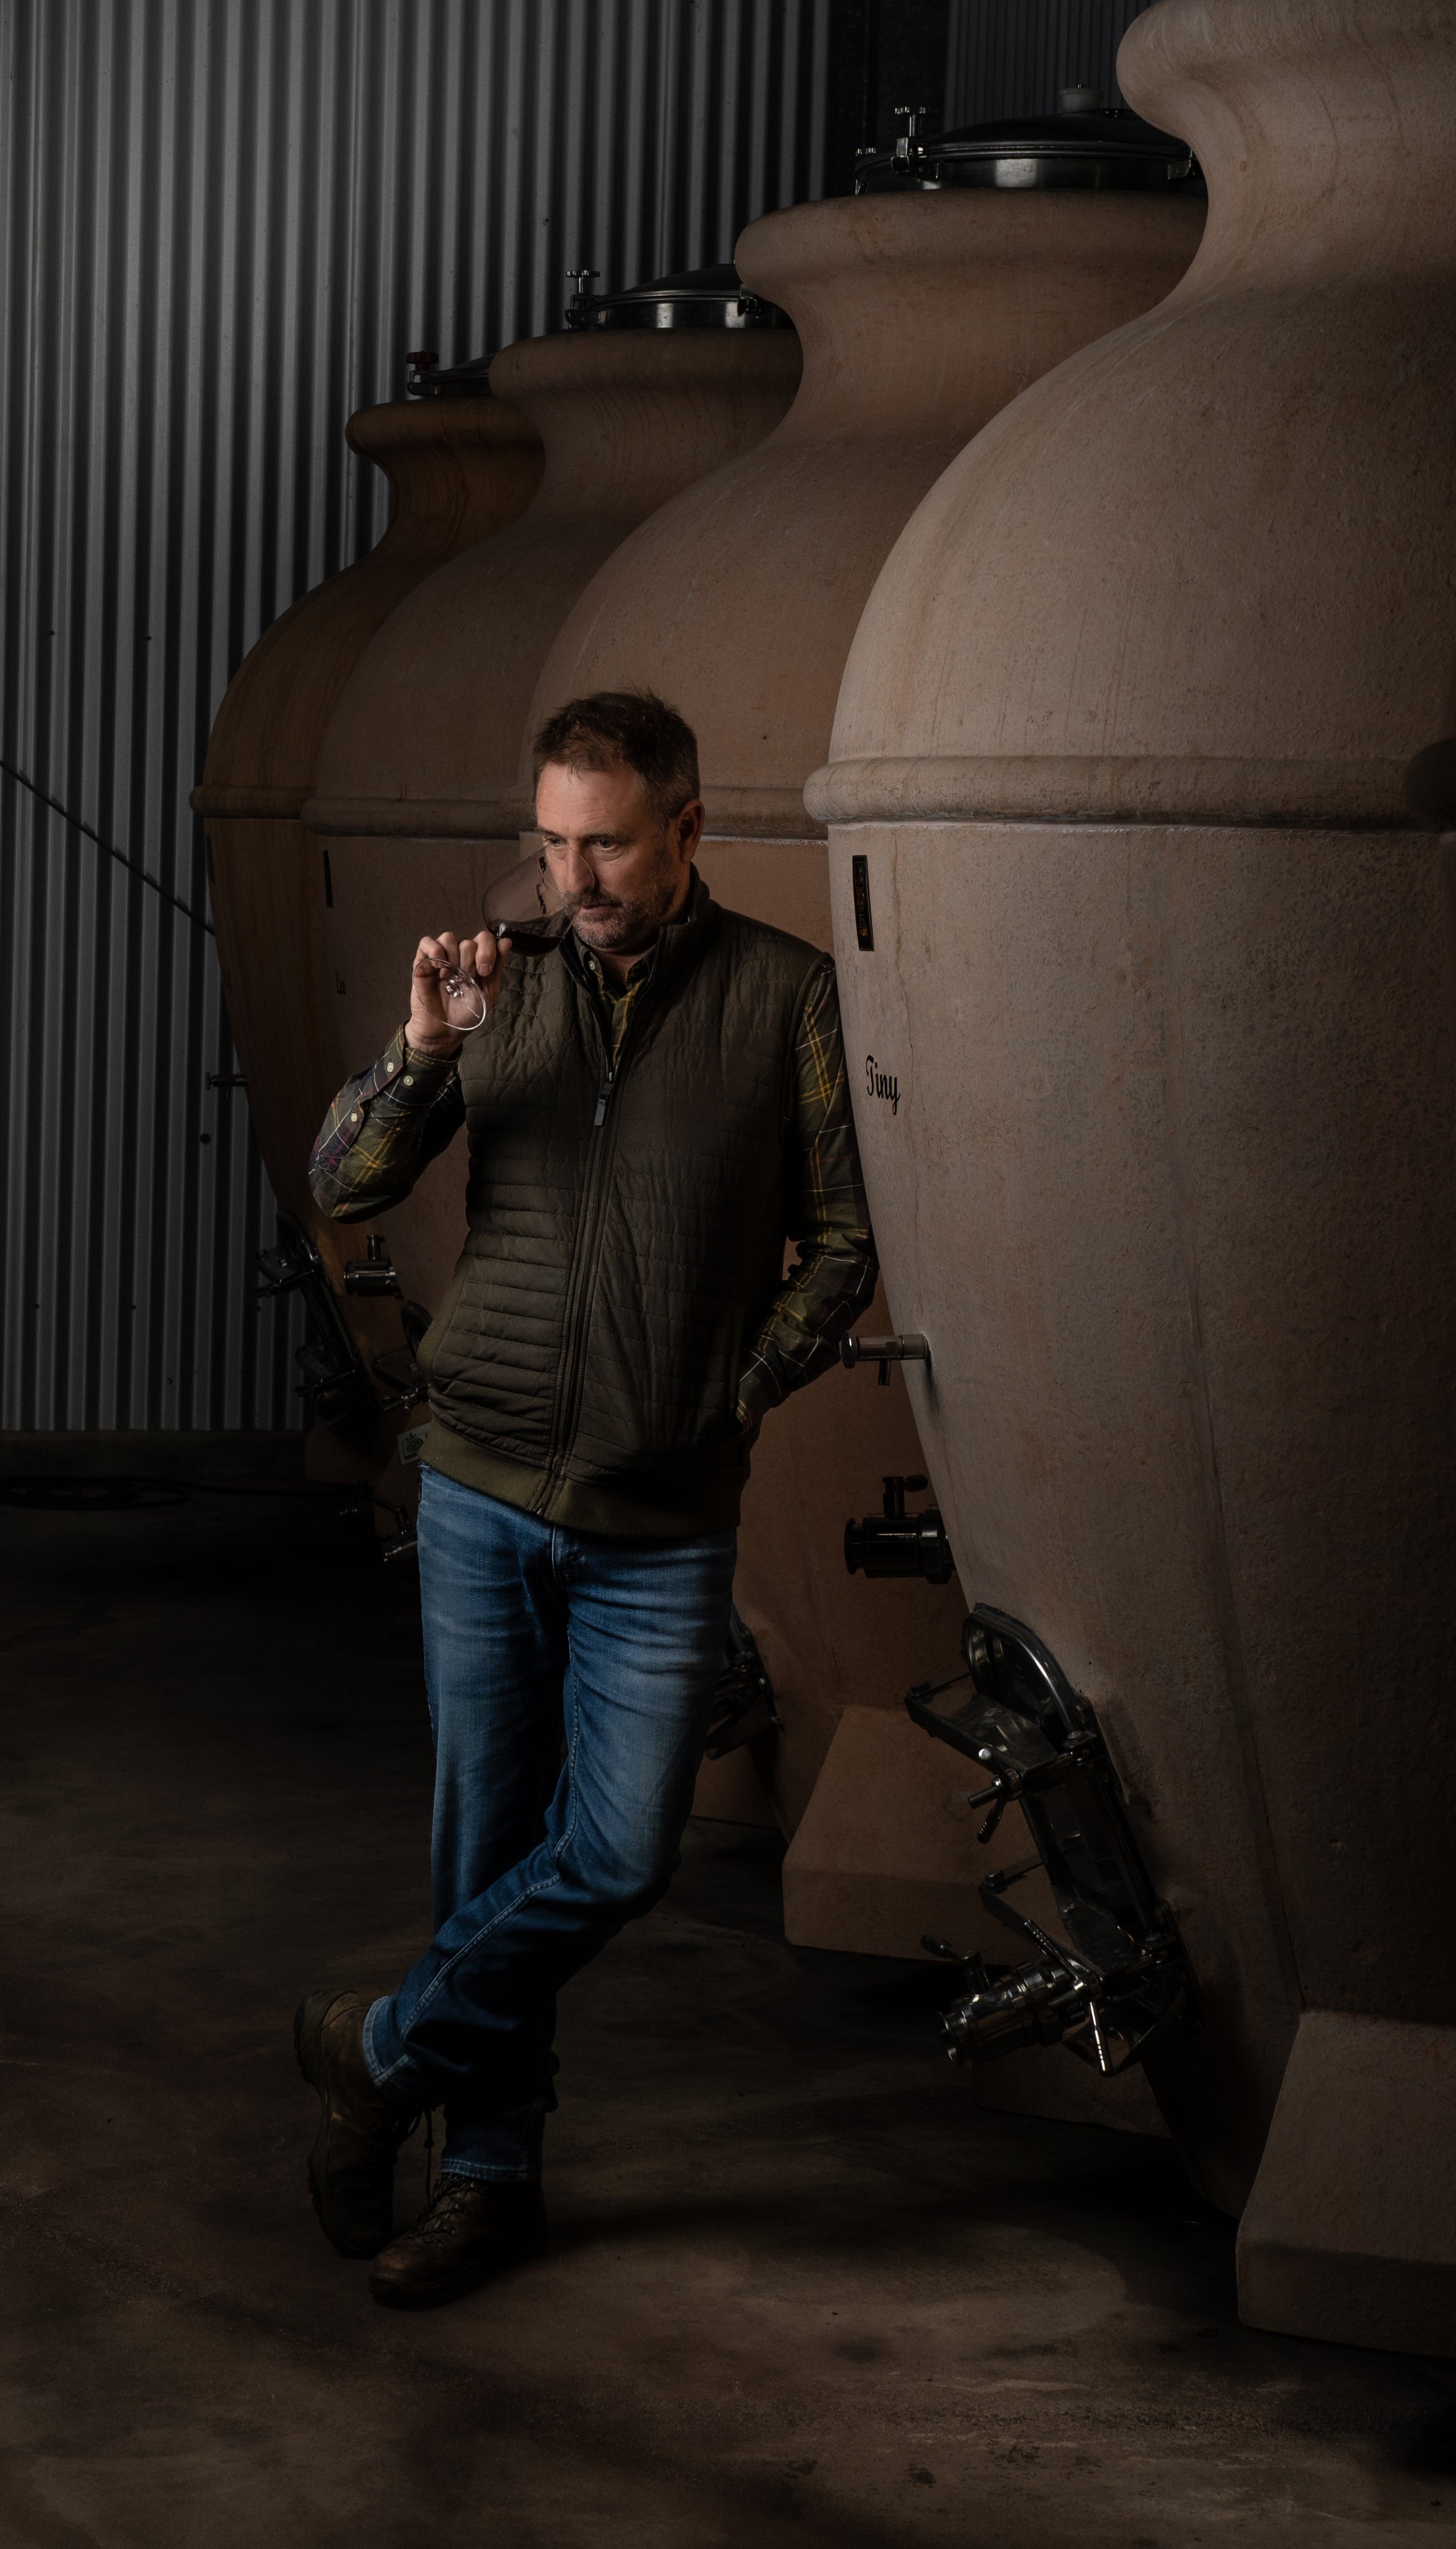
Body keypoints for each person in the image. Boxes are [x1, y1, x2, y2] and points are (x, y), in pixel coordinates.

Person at [296, 690, 875, 2308]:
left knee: (617, 1855)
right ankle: (487, 2180)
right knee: (485, 1846)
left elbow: (843, 1237)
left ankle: (378, 2053)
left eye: (604, 843)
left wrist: (730, 1391)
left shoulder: (784, 1000)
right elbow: (342, 1183)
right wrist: (424, 1052)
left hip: (659, 1512)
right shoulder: (501, 987)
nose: (574, 877)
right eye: (550, 844)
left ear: (687, 829)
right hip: (479, 1488)